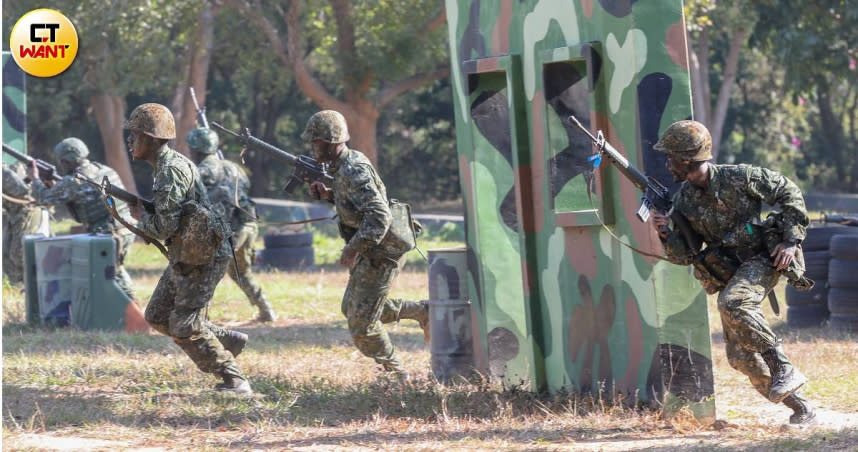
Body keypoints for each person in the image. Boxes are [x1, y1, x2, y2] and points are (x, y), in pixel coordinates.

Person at [650, 120, 815, 425]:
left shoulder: (740, 177)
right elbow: (685, 255)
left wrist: (791, 241)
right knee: (740, 357)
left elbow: (788, 191)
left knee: (733, 302)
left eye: (670, 156)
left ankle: (783, 367)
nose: (667, 163)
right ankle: (802, 407)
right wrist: (664, 234)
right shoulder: (683, 201)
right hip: (732, 273)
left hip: (764, 259)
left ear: (687, 159)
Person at [125, 103, 251, 394]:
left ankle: (234, 379)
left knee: (184, 324)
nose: (130, 141)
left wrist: (142, 220)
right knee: (157, 315)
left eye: (136, 135)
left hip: (204, 258)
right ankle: (226, 341)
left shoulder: (169, 172)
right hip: (188, 254)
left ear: (153, 140)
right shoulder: (166, 167)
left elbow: (164, 227)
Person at [302, 110, 429, 379]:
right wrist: (329, 196)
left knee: (362, 325)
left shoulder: (353, 169)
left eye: (317, 142)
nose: (313, 147)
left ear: (331, 141)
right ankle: (423, 311)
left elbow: (379, 216)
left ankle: (398, 377)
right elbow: (354, 204)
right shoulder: (341, 167)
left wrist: (352, 248)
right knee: (352, 308)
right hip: (372, 248)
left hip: (383, 252)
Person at [27, 138, 137, 300]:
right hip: (125, 228)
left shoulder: (74, 181)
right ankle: (120, 310)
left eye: (61, 162)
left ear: (65, 161)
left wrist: (34, 179)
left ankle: (132, 312)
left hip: (109, 234)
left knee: (112, 272)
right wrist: (54, 186)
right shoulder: (103, 169)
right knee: (111, 271)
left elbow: (44, 199)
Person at [186, 127, 276, 322]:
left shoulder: (201, 172)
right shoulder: (235, 168)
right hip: (248, 226)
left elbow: (196, 204)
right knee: (240, 272)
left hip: (227, 232)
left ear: (195, 150)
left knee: (204, 271)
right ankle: (266, 310)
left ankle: (197, 317)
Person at [2, 163, 46, 283]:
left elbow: (24, 193)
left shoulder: (3, 173)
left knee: (19, 253)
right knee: (6, 254)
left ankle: (33, 284)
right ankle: (18, 285)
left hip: (25, 211)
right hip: (12, 214)